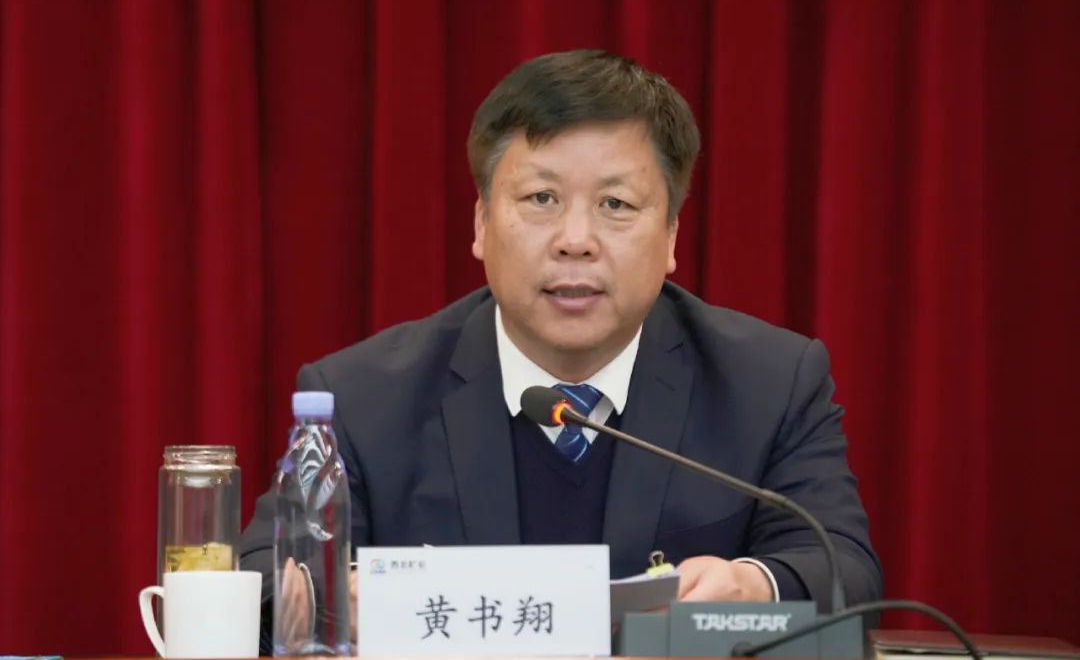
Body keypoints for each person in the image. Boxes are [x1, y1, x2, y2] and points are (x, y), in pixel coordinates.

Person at [239, 49, 883, 650]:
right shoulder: (363, 397)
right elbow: (263, 575)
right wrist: (337, 600)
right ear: (481, 223)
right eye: (541, 199)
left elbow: (844, 572)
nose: (576, 240)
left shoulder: (768, 383)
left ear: (670, 236)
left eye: (615, 203)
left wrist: (752, 585)